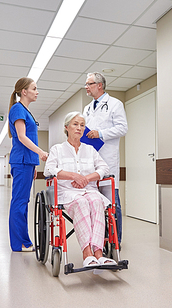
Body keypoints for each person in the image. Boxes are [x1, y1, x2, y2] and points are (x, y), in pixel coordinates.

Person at [44, 111, 117, 269]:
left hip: (90, 190)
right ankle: (87, 253)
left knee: (97, 201)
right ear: (67, 127)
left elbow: (104, 167)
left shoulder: (90, 150)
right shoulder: (57, 149)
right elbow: (49, 170)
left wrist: (86, 179)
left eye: (82, 125)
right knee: (82, 202)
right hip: (67, 193)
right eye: (75, 124)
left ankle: (98, 253)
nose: (79, 128)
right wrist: (73, 176)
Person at [82, 72, 128, 245]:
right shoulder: (87, 108)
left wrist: (100, 133)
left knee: (112, 203)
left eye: (89, 83)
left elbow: (123, 128)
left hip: (107, 159)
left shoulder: (115, 104)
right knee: (94, 203)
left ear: (99, 85)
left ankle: (116, 241)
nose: (86, 87)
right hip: (90, 161)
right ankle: (98, 239)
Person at [8, 77, 49, 252]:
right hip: (22, 161)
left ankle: (24, 241)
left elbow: (28, 137)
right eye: (34, 88)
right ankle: (20, 243)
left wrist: (35, 164)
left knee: (23, 202)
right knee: (19, 202)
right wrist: (40, 152)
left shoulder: (25, 110)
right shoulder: (18, 109)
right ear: (24, 92)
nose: (37, 91)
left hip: (27, 162)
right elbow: (22, 137)